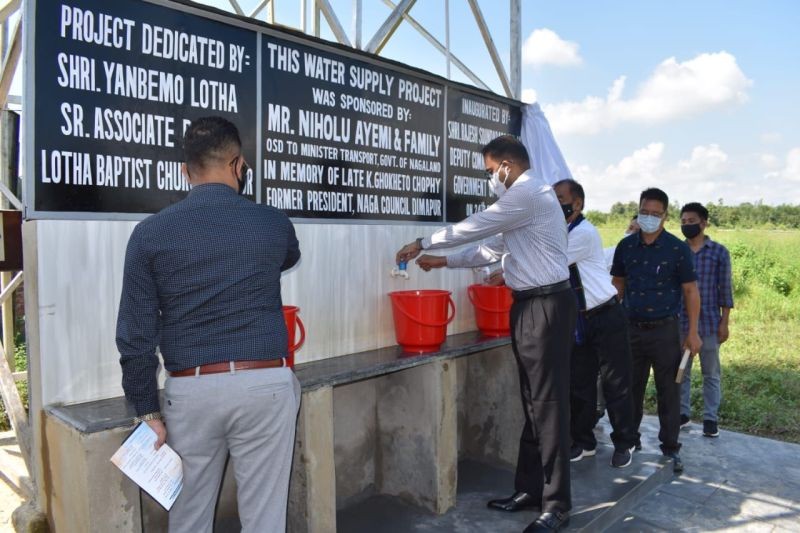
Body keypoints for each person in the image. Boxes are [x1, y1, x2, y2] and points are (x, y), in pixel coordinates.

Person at [116, 116, 301, 533]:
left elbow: (135, 334)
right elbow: (286, 257)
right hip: (265, 385)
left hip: (191, 391)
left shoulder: (149, 234)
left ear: (185, 171)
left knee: (189, 517)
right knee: (265, 520)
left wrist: (145, 408)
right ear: (239, 165)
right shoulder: (272, 223)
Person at [396, 136, 576, 532]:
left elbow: (476, 227)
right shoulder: (523, 206)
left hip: (546, 307)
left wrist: (422, 242)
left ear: (508, 166)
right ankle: (531, 489)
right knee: (532, 403)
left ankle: (557, 504)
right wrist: (442, 261)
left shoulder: (528, 194)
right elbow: (491, 249)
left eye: (490, 171)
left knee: (548, 405)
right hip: (530, 306)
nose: (490, 178)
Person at [610, 188, 702, 474]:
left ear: (665, 216)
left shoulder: (677, 249)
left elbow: (690, 291)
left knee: (669, 392)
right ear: (638, 211)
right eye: (644, 212)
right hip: (631, 330)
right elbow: (617, 286)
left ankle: (670, 447)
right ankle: (626, 443)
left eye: (655, 214)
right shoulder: (625, 247)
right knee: (629, 390)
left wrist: (693, 332)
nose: (649, 218)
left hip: (665, 331)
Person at [553, 180, 638, 468]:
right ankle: (584, 442)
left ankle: (625, 442)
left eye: (560, 198)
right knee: (580, 384)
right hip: (579, 321)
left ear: (577, 204)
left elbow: (552, 264)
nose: (556, 203)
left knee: (616, 383)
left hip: (606, 315)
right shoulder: (560, 231)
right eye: (552, 198)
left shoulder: (584, 233)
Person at [678, 202, 733, 438]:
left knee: (711, 373)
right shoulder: (677, 250)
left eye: (691, 221)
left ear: (704, 222)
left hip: (710, 322)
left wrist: (725, 321)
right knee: (682, 371)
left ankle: (711, 419)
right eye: (683, 222)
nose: (687, 226)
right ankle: (682, 413)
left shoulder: (719, 252)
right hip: (681, 322)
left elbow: (726, 290)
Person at [597, 215, 640, 422]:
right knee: (602, 370)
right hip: (608, 317)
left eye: (635, 230)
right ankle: (598, 409)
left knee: (623, 375)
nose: (630, 233)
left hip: (634, 322)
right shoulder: (610, 253)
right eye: (629, 228)